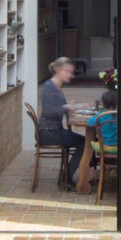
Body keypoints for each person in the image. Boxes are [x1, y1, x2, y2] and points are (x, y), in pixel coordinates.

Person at [39, 56, 85, 190]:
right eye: (68, 71)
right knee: (84, 143)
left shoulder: (56, 87)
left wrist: (69, 106)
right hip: (48, 132)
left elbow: (59, 108)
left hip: (54, 130)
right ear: (58, 70)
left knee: (85, 141)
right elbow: (48, 111)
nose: (70, 75)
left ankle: (68, 176)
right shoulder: (50, 87)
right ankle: (66, 177)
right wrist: (66, 107)